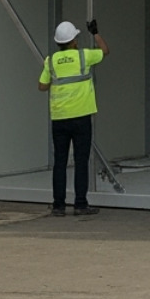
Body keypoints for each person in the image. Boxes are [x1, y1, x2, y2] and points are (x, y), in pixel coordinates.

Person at [38, 19, 110, 217]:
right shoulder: (84, 56)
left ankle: (58, 206)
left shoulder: (51, 61)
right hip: (81, 117)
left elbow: (42, 86)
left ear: (58, 42)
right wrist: (95, 33)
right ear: (74, 41)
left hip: (60, 119)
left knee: (60, 162)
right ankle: (80, 204)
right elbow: (105, 50)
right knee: (81, 161)